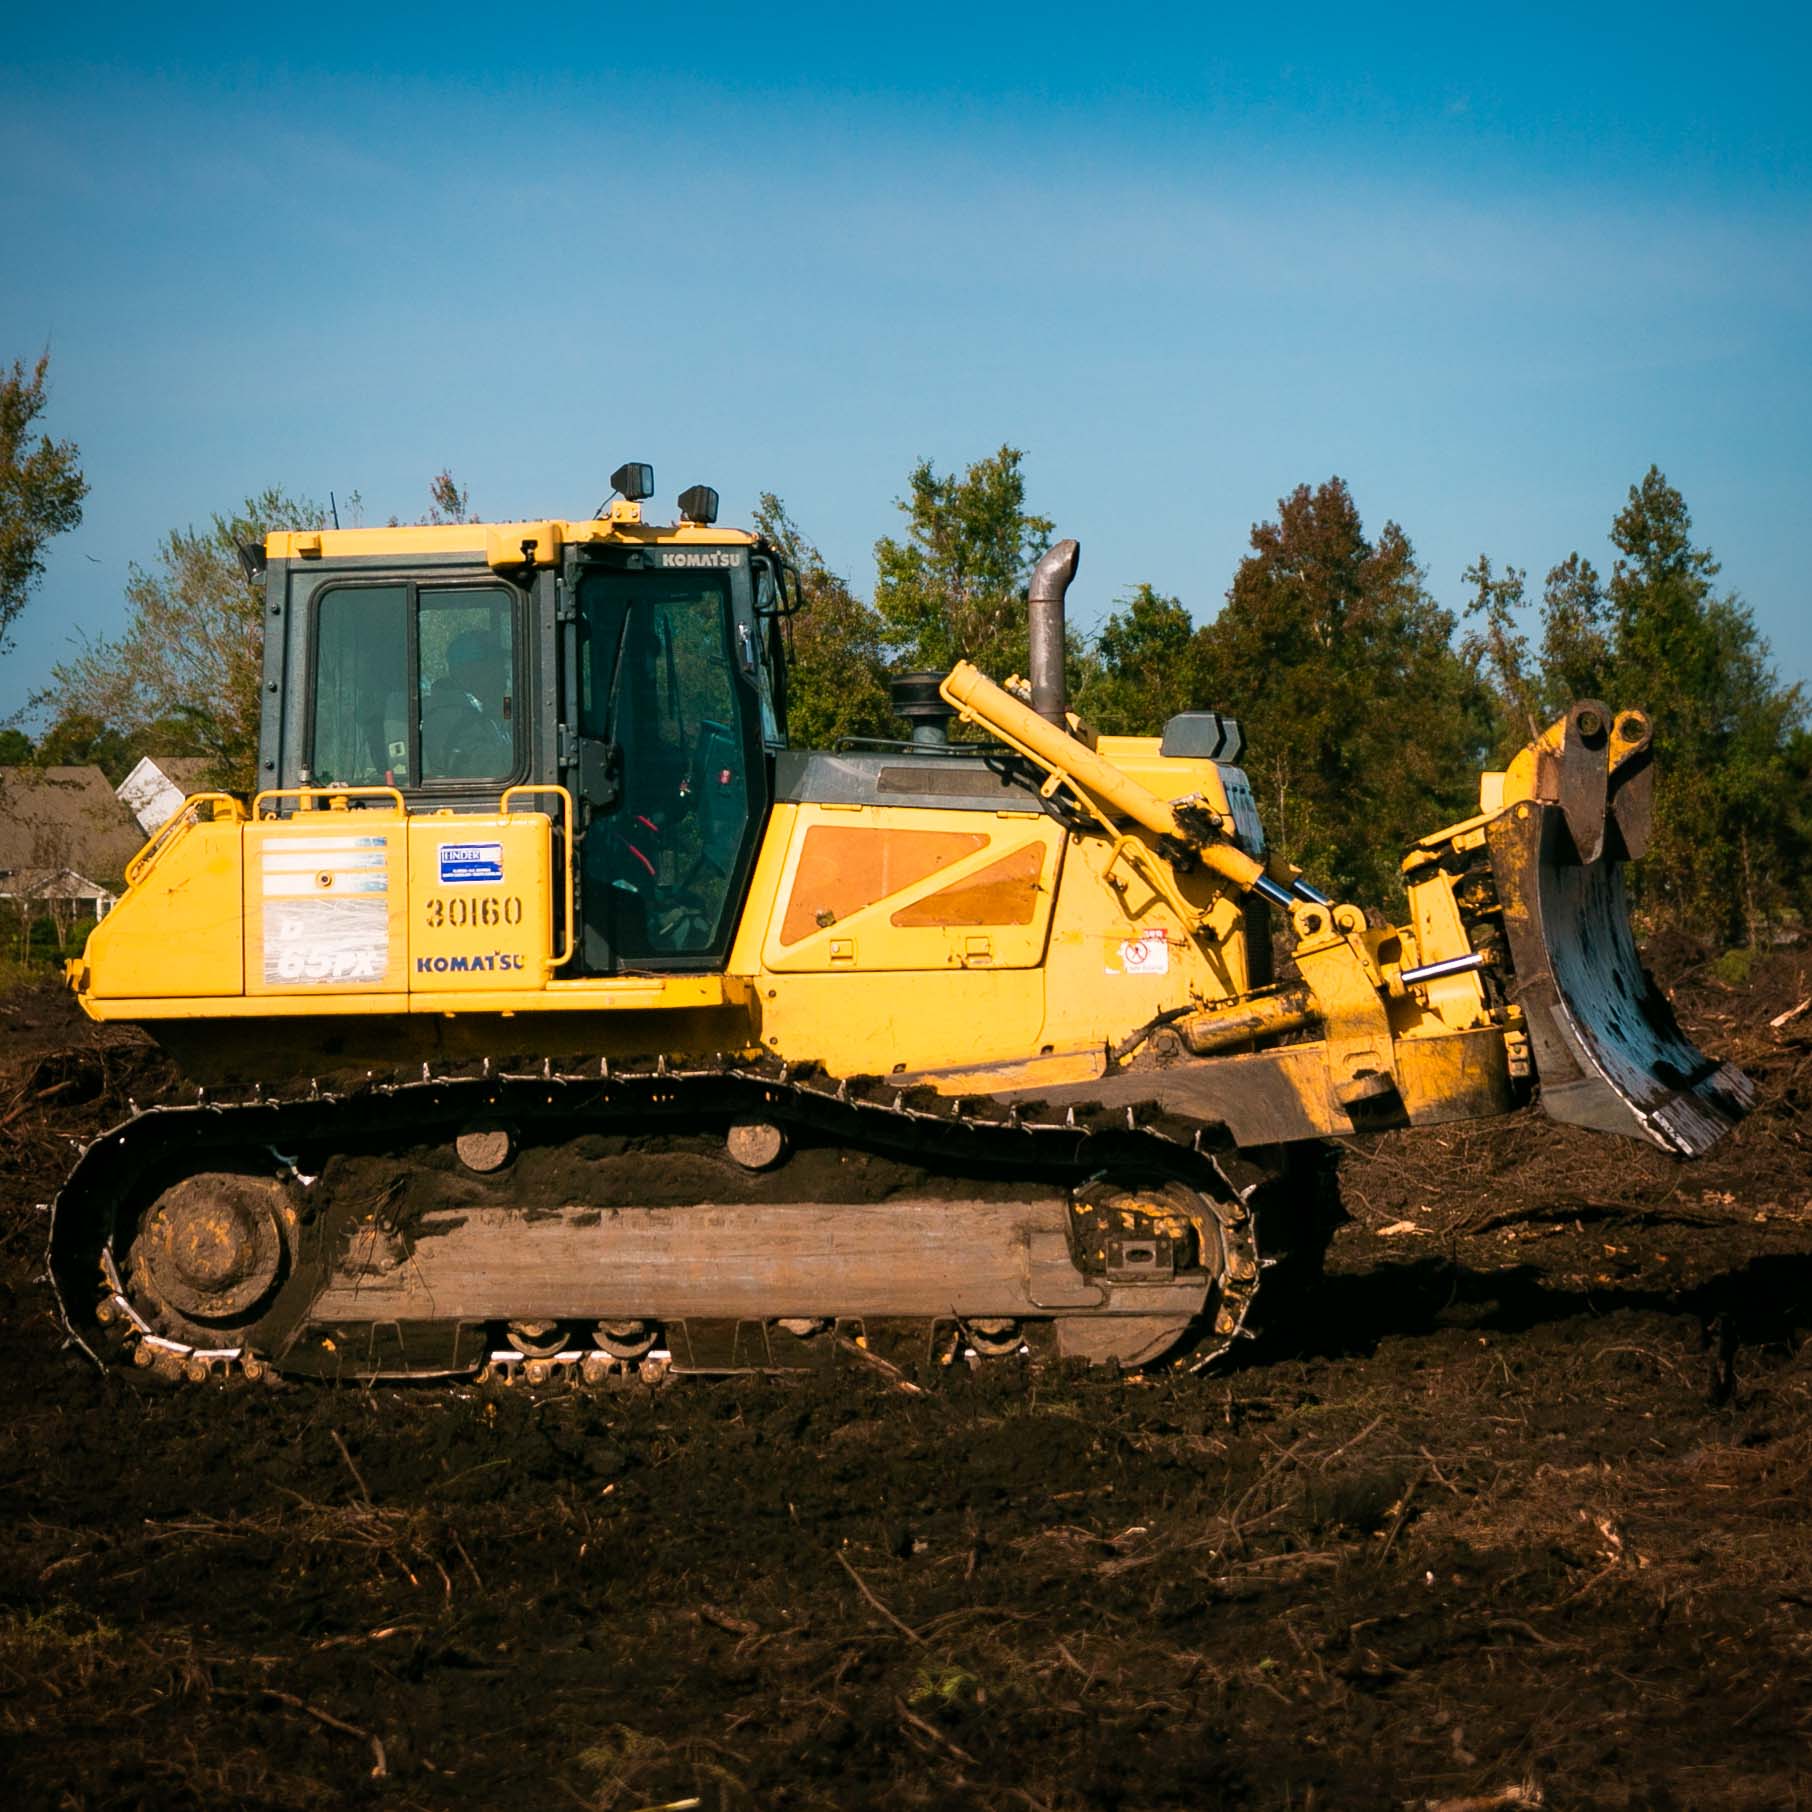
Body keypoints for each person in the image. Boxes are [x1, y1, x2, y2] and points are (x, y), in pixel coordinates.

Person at [423, 629, 512, 778]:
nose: (505, 673)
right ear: (468, 671)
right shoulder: (447, 719)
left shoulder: (489, 709)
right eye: (496, 665)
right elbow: (486, 770)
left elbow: (507, 728)